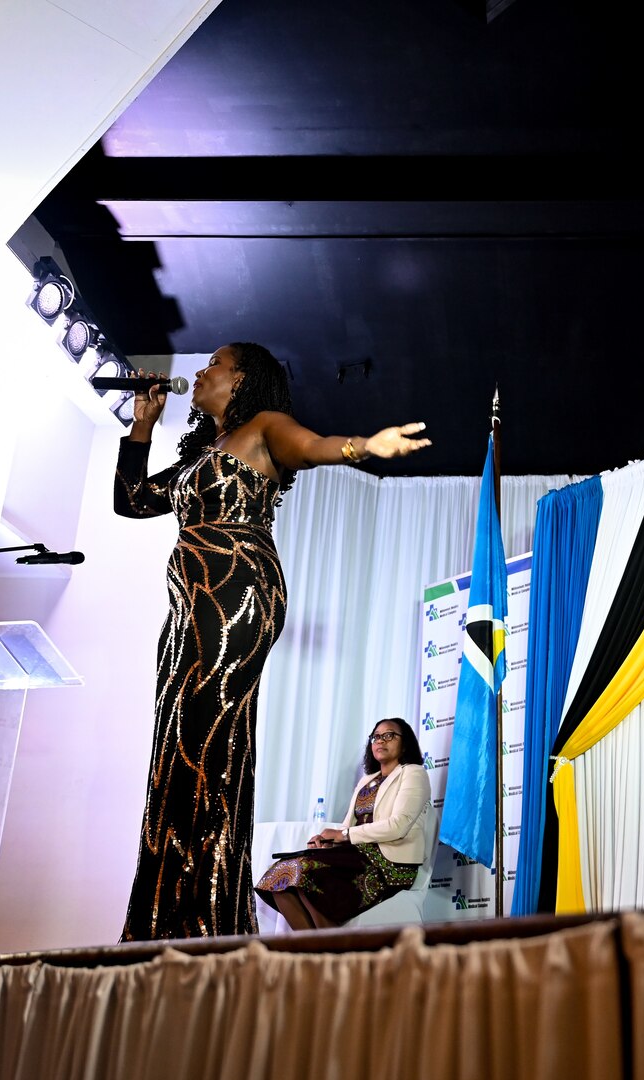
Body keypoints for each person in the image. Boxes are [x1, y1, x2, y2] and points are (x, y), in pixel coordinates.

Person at [114, 342, 430, 941]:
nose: (201, 371)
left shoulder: (265, 427)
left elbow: (311, 448)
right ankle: (171, 913)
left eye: (215, 364)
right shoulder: (199, 455)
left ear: (243, 381)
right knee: (179, 750)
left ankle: (203, 919)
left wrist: (364, 446)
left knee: (207, 746)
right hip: (187, 607)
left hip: (235, 594)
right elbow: (129, 502)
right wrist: (141, 428)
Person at [255, 716, 432, 930]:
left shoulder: (413, 773)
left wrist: (344, 835)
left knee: (308, 875)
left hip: (391, 864)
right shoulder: (367, 780)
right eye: (376, 737)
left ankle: (332, 952)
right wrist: (327, 842)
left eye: (389, 735)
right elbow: (347, 825)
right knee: (281, 874)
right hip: (358, 856)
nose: (380, 741)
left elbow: (399, 825)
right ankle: (313, 952)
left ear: (405, 744)